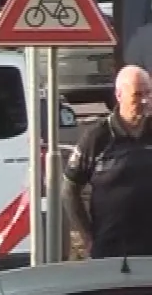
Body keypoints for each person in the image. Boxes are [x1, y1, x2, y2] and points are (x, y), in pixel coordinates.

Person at [63, 65, 152, 259]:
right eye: (137, 95)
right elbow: (70, 189)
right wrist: (87, 237)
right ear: (119, 95)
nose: (145, 100)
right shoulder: (97, 137)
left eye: (149, 93)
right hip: (111, 250)